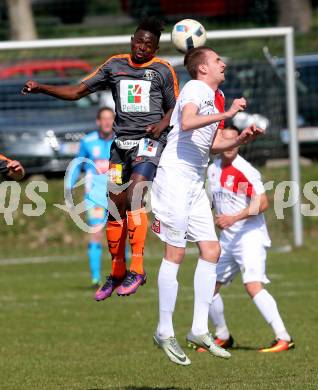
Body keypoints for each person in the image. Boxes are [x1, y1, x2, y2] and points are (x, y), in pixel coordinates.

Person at [22, 17, 179, 298]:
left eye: (149, 44)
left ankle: (138, 269)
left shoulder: (162, 70)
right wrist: (42, 87)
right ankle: (117, 272)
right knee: (114, 207)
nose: (142, 46)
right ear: (132, 40)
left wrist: (160, 125)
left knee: (134, 196)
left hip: (149, 143)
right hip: (120, 146)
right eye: (139, 40)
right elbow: (77, 90)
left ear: (155, 48)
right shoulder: (114, 65)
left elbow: (175, 109)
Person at [151, 46, 264, 366]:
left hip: (194, 181)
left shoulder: (216, 96)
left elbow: (211, 145)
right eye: (217, 61)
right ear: (202, 69)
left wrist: (240, 139)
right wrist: (227, 114)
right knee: (175, 253)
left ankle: (199, 329)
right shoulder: (194, 88)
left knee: (211, 250)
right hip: (173, 176)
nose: (223, 64)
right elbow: (186, 122)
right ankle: (164, 330)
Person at [207, 122, 294, 353]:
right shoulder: (213, 169)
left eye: (233, 140)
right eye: (224, 139)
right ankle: (223, 336)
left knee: (252, 285)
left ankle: (283, 337)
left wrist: (233, 218)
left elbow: (262, 202)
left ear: (240, 142)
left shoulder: (244, 170)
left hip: (249, 237)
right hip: (228, 239)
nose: (229, 145)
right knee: (208, 286)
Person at [66, 107, 118, 288]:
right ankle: (96, 279)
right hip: (95, 197)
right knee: (96, 234)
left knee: (120, 235)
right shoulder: (88, 142)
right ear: (98, 121)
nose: (106, 122)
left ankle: (122, 274)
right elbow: (76, 165)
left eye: (110, 118)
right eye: (103, 119)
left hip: (117, 195)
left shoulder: (121, 142)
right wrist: (68, 186)